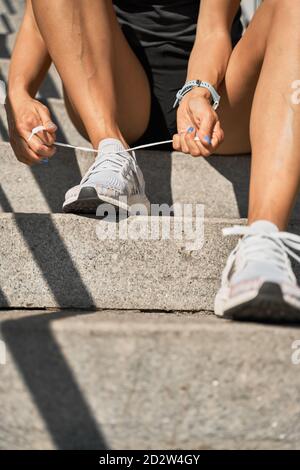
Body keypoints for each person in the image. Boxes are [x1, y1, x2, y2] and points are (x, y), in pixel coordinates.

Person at [6, 0, 300, 321]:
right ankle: (111, 152)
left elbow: (213, 29)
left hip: (217, 95)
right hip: (117, 93)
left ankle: (261, 244)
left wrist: (197, 92)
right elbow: (44, 13)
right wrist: (19, 93)